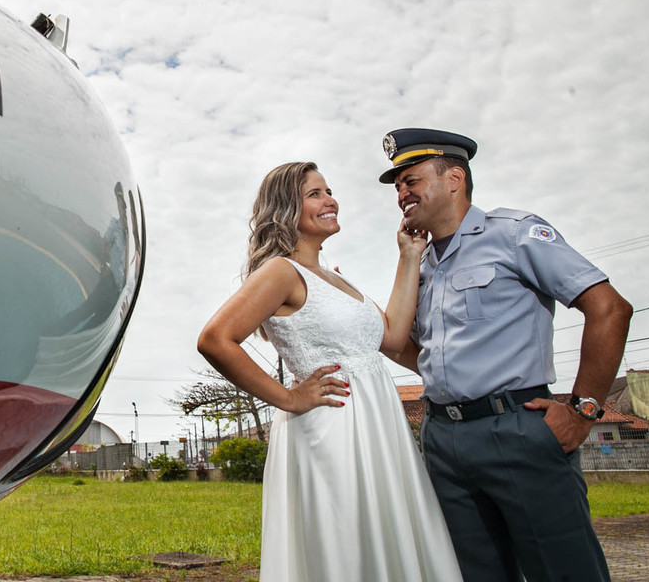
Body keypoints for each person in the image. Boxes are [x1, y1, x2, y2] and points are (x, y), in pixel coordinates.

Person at [378, 128, 633, 582]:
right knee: (474, 572)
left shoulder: (514, 234)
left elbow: (610, 309)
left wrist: (584, 410)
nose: (401, 194)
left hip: (516, 428)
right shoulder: (419, 261)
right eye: (397, 186)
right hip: (443, 439)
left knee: (562, 570)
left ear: (454, 179)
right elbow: (405, 346)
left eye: (411, 180)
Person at [197, 161, 463, 582]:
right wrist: (288, 398)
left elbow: (394, 337)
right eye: (315, 194)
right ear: (286, 208)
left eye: (330, 191)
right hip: (333, 429)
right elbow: (215, 339)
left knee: (385, 539)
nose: (330, 201)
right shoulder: (281, 272)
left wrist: (409, 255)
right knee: (346, 546)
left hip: (378, 426)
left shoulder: (335, 278)